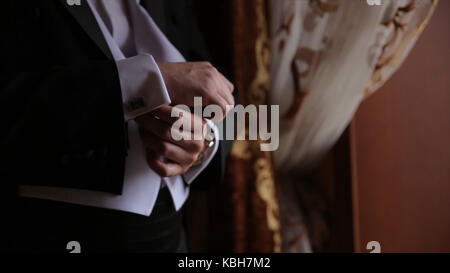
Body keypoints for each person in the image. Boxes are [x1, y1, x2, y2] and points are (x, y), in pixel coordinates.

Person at [0, 0, 234, 252]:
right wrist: (148, 81)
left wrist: (206, 142)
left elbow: (218, 82)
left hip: (174, 233)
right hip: (55, 229)